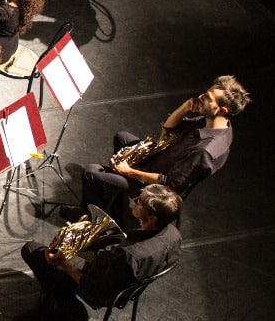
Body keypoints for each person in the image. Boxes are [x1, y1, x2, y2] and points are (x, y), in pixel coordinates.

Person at [74, 76, 248, 221]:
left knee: (91, 172)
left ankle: (88, 217)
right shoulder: (212, 122)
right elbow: (170, 128)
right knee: (122, 137)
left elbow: (169, 183)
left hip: (155, 188)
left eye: (208, 98)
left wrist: (129, 172)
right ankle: (112, 197)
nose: (201, 96)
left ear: (222, 110)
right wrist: (186, 107)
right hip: (160, 161)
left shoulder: (205, 150)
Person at [23, 184, 182, 309]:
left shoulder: (127, 255)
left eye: (139, 202)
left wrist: (63, 263)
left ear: (152, 218)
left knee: (31, 249)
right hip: (122, 274)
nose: (134, 200)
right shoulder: (174, 234)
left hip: (101, 289)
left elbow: (95, 291)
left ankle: (59, 294)